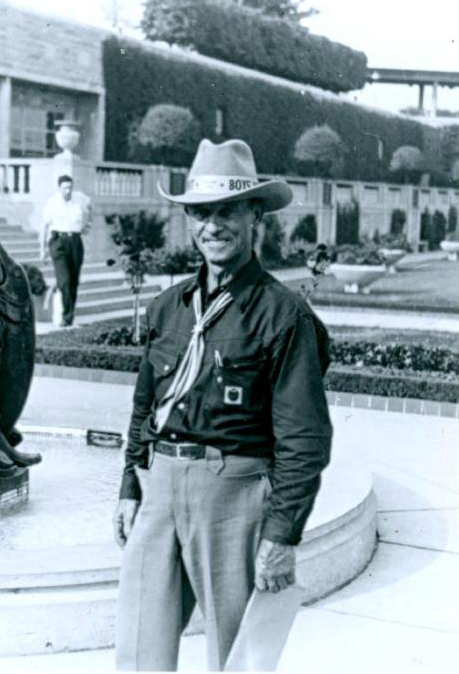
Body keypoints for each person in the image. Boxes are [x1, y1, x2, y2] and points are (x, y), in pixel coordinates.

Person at [113, 139, 333, 671]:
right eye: (201, 213)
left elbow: (304, 439)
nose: (213, 226)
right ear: (189, 221)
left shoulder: (283, 315)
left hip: (233, 493)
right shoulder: (169, 307)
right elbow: (146, 405)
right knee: (138, 651)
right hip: (160, 485)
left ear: (254, 215)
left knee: (237, 659)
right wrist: (129, 484)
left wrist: (281, 534)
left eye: (227, 211)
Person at [40, 175, 92, 327]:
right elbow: (44, 227)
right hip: (58, 242)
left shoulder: (79, 203)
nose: (68, 191)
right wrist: (42, 249)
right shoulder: (52, 203)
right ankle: (66, 316)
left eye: (70, 187)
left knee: (74, 281)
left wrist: (86, 227)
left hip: (75, 242)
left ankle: (69, 315)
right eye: (65, 188)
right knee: (64, 281)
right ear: (59, 188)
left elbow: (89, 216)